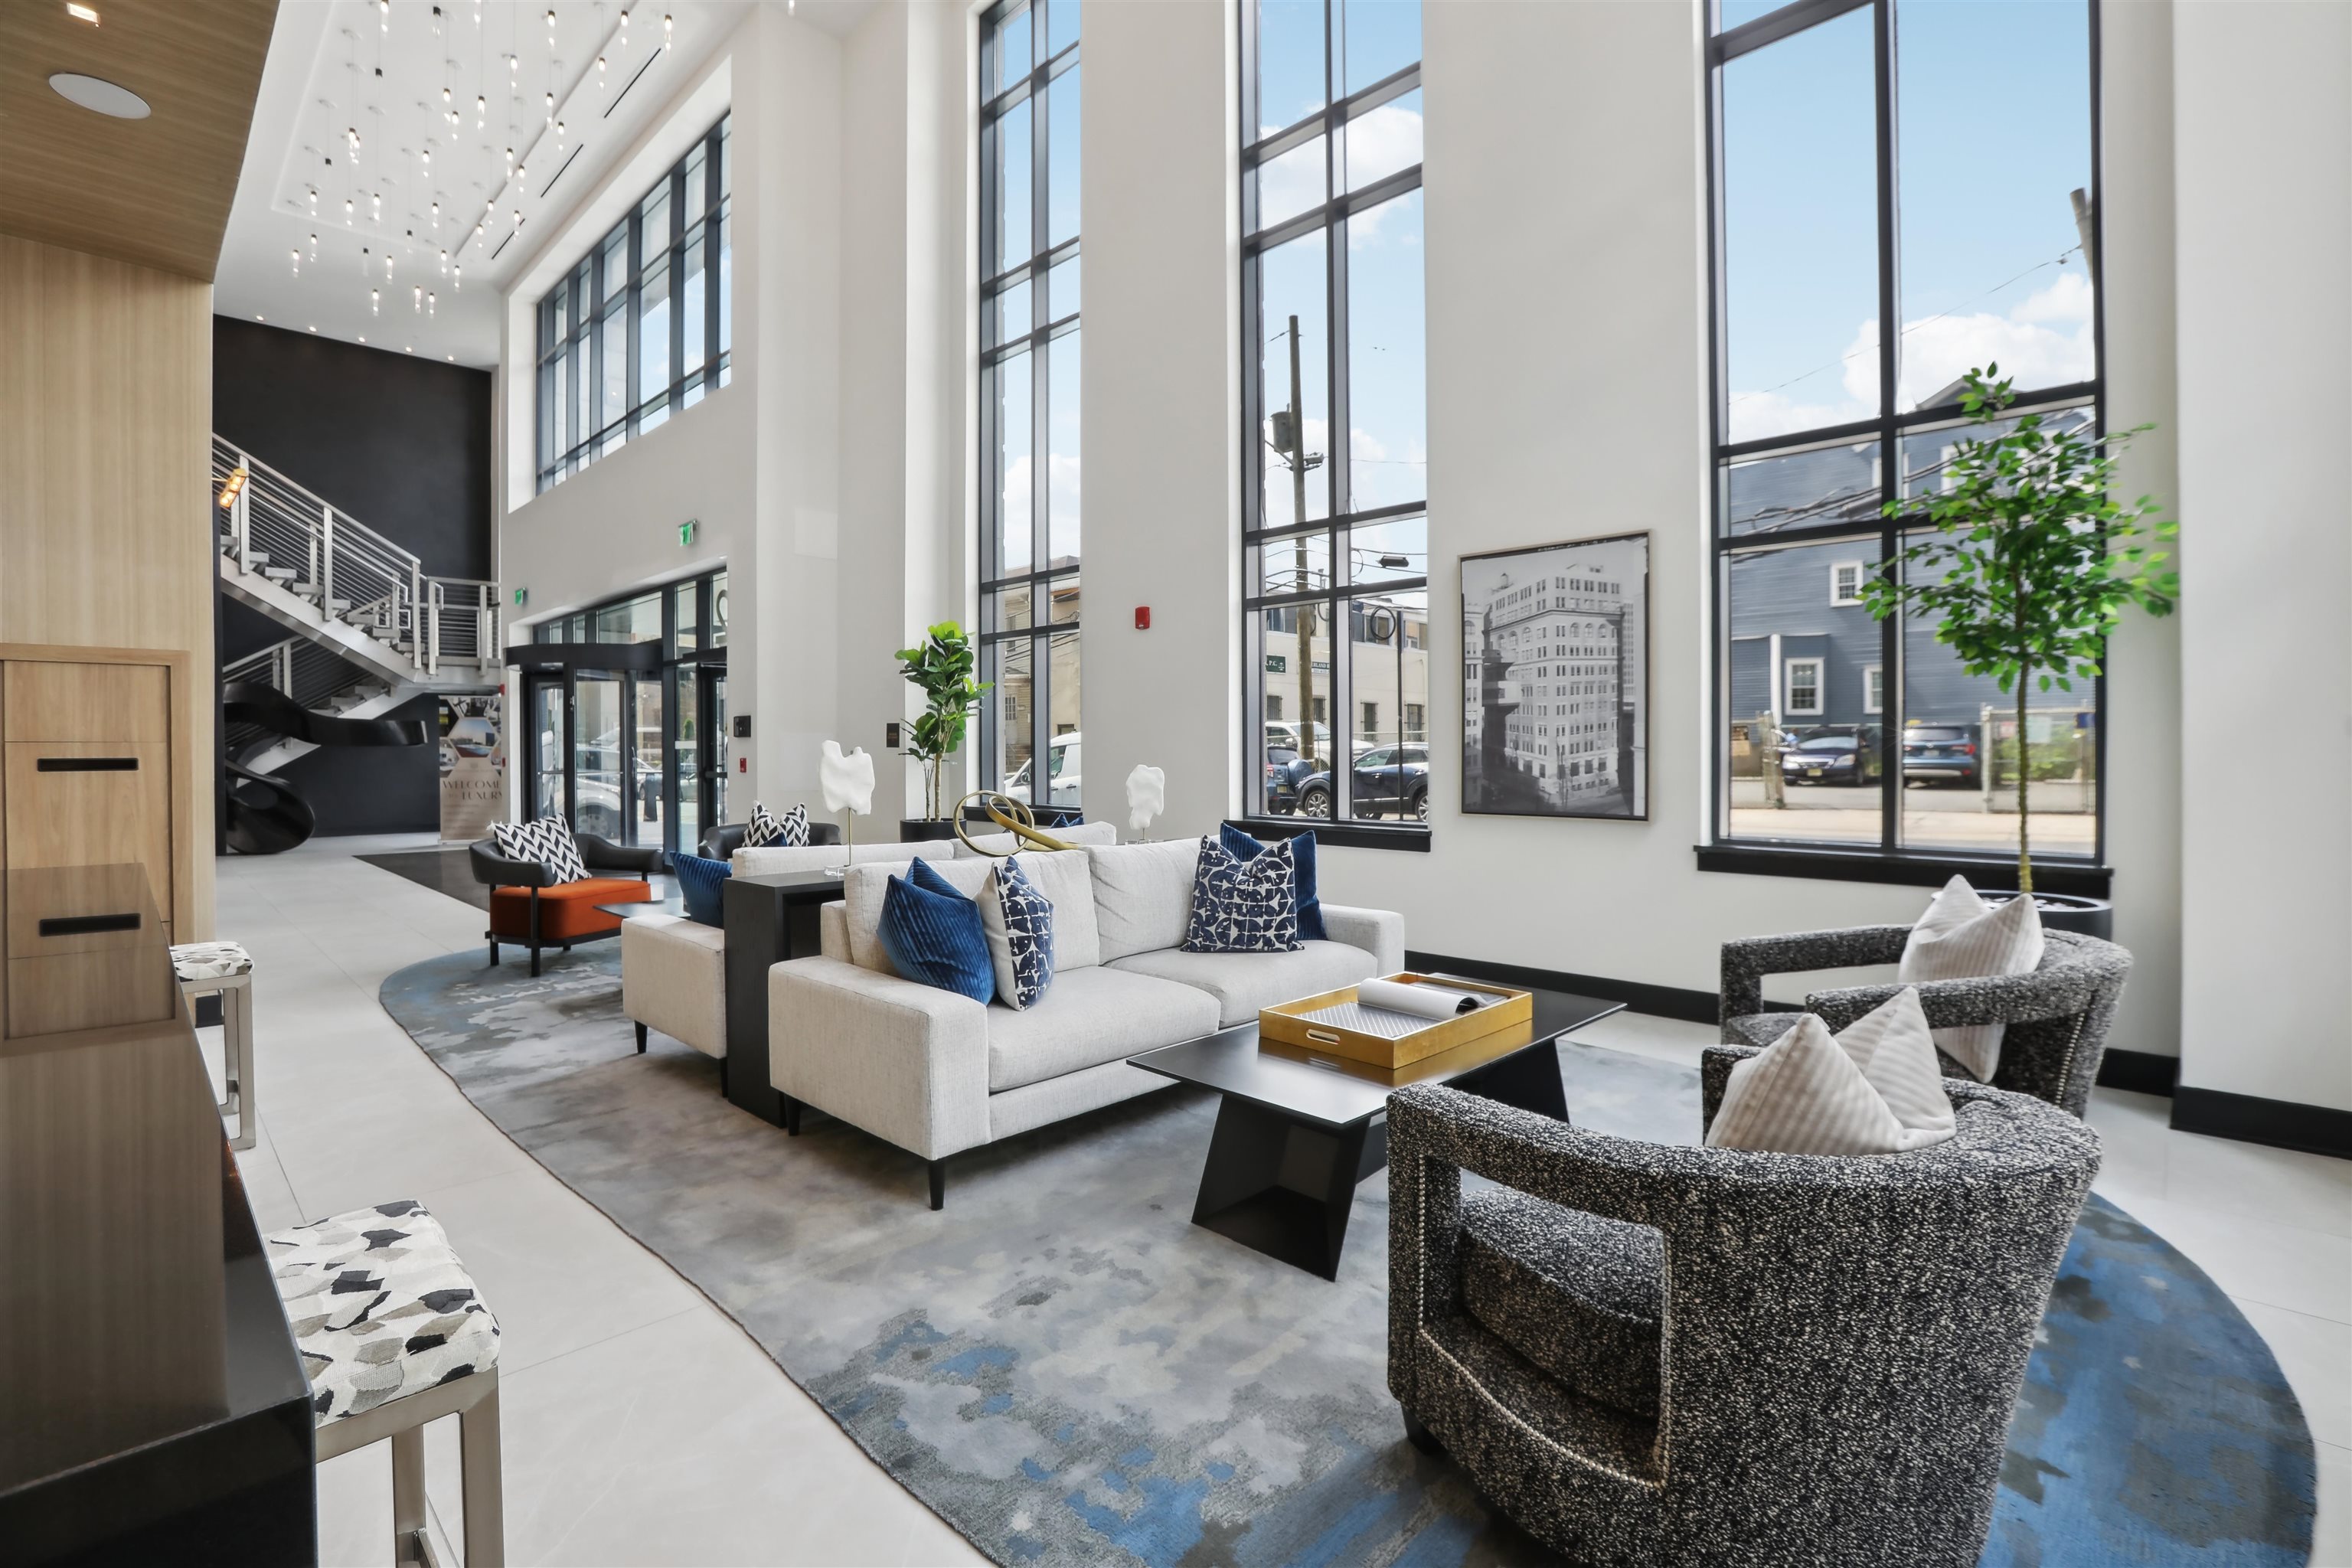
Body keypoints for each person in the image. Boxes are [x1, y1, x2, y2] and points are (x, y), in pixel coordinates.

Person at [1755, 713, 1786, 808]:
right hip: (1770, 756)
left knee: (1776, 779)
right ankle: (1776, 798)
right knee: (1773, 777)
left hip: (1773, 758)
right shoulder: (1768, 733)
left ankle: (1777, 799)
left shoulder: (1774, 733)